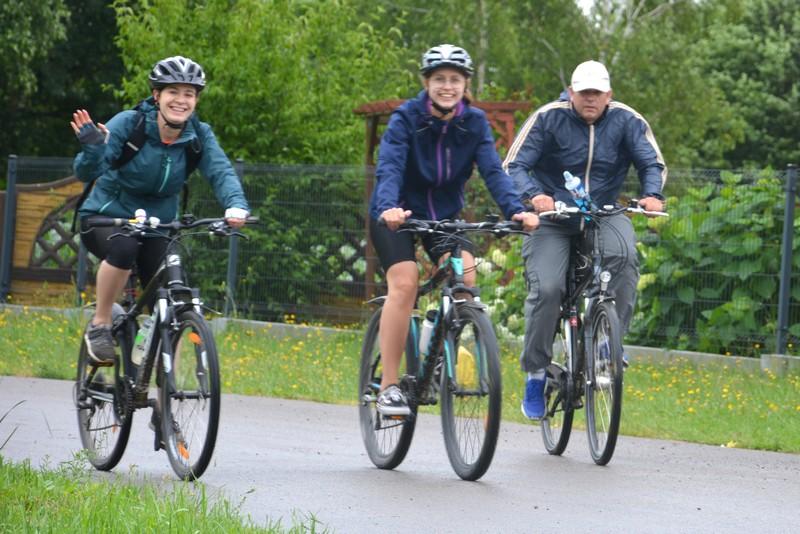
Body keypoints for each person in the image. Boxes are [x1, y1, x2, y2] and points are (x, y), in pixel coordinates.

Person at [369, 44, 539, 416]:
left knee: (466, 277)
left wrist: (516, 210)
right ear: (427, 83)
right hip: (397, 214)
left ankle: (434, 351)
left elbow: (493, 171)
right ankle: (389, 387)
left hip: (443, 217)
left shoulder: (474, 122)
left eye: (455, 80)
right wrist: (388, 208)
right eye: (440, 79)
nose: (447, 86)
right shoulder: (406, 118)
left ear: (465, 85)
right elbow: (390, 167)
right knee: (405, 284)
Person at [503, 60, 667, 419]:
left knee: (623, 258)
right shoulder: (548, 118)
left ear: (609, 95)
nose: (590, 98)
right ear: (571, 92)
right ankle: (536, 373)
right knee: (547, 289)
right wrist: (535, 195)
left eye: (597, 93)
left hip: (603, 212)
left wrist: (652, 195)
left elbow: (650, 163)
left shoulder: (627, 120)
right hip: (553, 217)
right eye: (584, 92)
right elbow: (514, 165)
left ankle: (607, 342)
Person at [71, 55, 250, 364]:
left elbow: (220, 171)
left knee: (172, 300)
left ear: (196, 100)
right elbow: (86, 172)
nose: (181, 100)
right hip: (106, 216)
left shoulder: (199, 134)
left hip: (158, 224)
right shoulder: (129, 124)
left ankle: (165, 383)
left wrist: (236, 205)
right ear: (157, 95)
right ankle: (100, 324)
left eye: (189, 93)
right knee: (125, 246)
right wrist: (93, 148)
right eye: (173, 92)